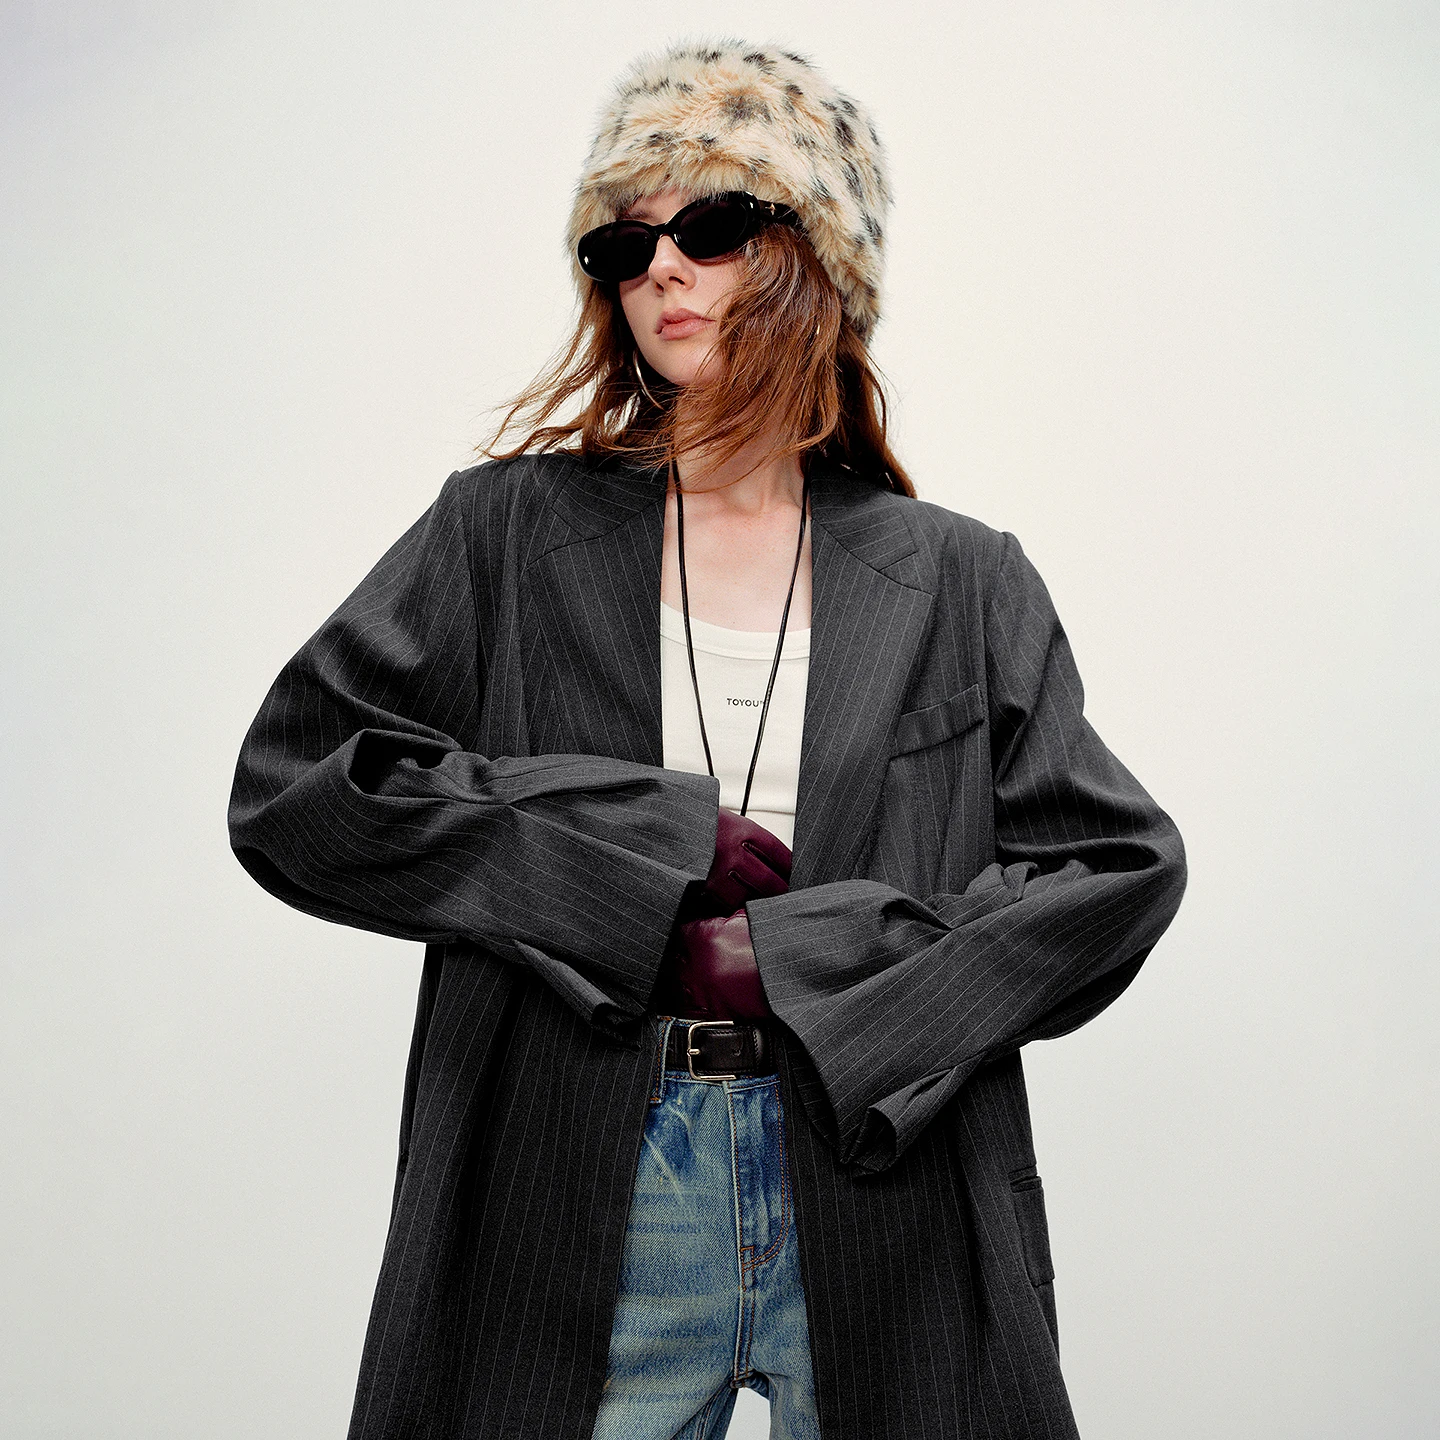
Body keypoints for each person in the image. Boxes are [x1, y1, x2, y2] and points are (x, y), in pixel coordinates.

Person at [227, 39, 1187, 1440]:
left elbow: (1118, 868)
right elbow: (296, 788)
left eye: (713, 225)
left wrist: (829, 970)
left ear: (816, 261)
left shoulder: (961, 577)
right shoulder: (502, 535)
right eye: (625, 244)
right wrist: (627, 862)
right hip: (577, 1175)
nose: (662, 268)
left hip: (881, 1176)